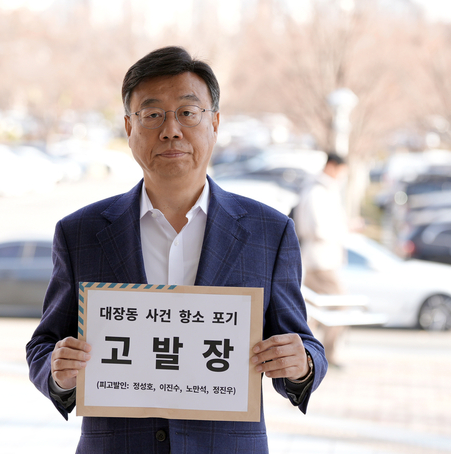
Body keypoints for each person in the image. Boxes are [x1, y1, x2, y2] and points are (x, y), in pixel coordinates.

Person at [26, 46, 327, 454]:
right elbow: (44, 345)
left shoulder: (269, 232)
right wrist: (59, 374)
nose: (171, 130)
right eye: (152, 115)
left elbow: (304, 345)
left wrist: (301, 364)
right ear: (129, 127)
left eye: (188, 112)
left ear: (215, 122)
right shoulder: (81, 232)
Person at [293, 153, 349, 365]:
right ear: (332, 167)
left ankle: (304, 353)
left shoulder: (321, 190)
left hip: (319, 259)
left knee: (311, 313)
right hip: (320, 261)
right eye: (342, 171)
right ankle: (327, 354)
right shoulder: (317, 191)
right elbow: (315, 228)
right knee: (340, 305)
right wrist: (343, 229)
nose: (342, 177)